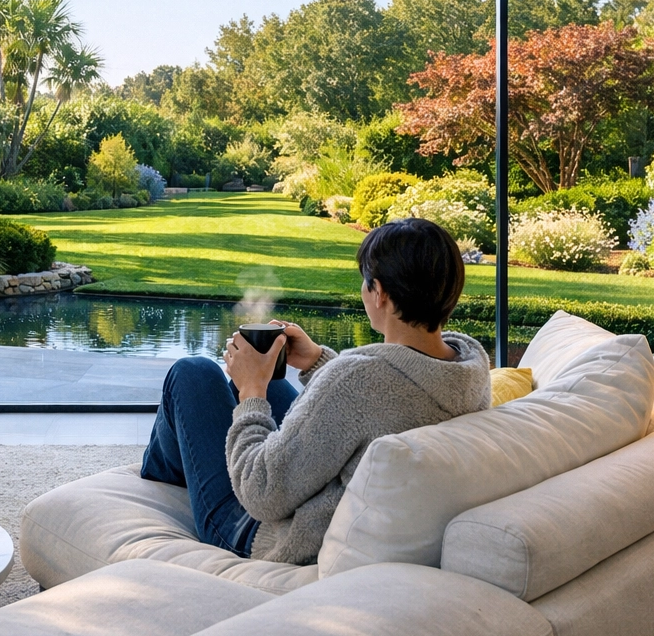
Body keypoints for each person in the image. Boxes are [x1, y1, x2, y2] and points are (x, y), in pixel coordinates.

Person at [140, 217, 491, 565]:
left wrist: (252, 392)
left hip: (264, 533)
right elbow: (386, 405)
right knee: (268, 383)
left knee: (193, 373)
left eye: (365, 281)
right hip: (339, 500)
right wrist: (318, 361)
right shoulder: (467, 370)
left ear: (380, 293)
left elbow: (262, 493)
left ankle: (163, 479)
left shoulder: (355, 381)